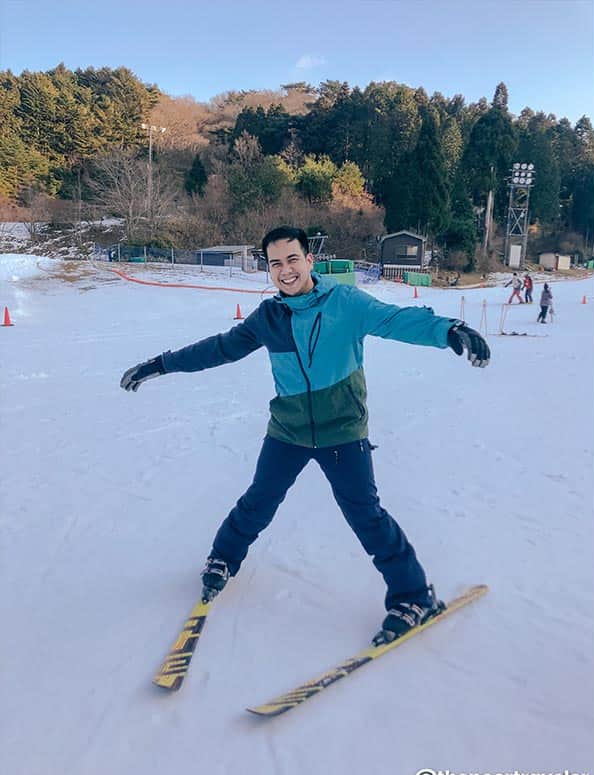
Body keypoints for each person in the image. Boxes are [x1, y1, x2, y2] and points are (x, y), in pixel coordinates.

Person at [119, 226, 491, 645]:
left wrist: (449, 330)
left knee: (366, 516)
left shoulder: (344, 303)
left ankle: (414, 597)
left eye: (292, 259)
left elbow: (394, 319)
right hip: (289, 430)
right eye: (276, 263)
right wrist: (161, 365)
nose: (285, 270)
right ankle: (223, 559)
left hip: (343, 431)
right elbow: (219, 348)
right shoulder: (269, 318)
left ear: (309, 260)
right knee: (258, 501)